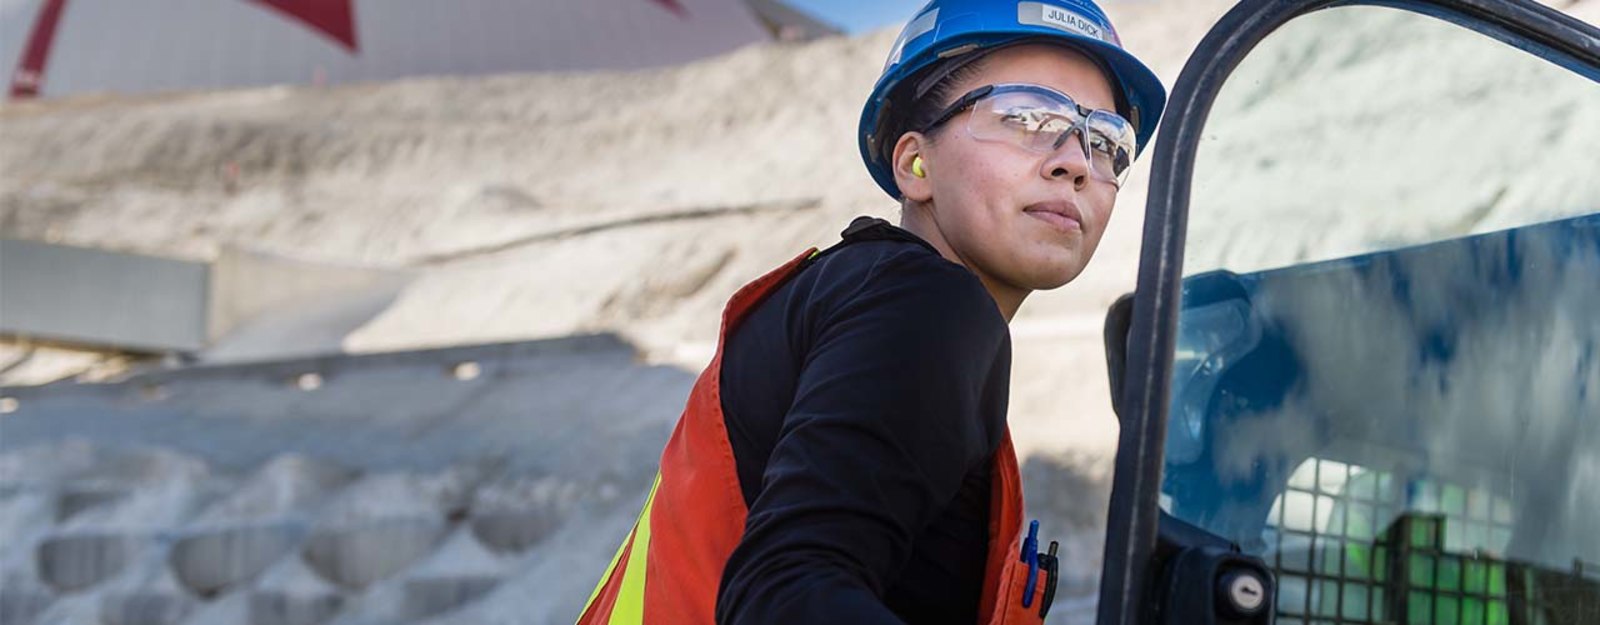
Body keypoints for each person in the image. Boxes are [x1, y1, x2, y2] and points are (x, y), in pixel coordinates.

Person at [576, 0, 1165, 623]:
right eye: (1027, 116)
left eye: (1104, 140)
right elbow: (784, 597)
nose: (1075, 161)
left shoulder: (861, 300)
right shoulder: (921, 303)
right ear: (915, 164)